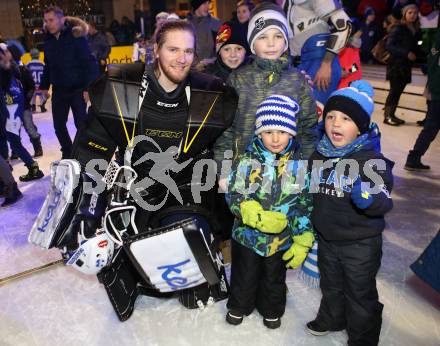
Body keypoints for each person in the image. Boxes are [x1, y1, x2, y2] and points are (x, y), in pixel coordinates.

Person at [31, 20, 238, 319]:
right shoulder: (122, 87)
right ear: (156, 49)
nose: (181, 58)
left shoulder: (210, 94)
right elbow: (91, 152)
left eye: (188, 51)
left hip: (188, 191)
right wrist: (85, 215)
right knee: (129, 265)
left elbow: (228, 147)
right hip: (136, 189)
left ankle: (202, 253)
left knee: (192, 282)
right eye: (173, 49)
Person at [306, 80, 394, 346]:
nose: (335, 123)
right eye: (331, 116)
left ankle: (363, 338)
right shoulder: (319, 154)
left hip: (360, 244)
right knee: (330, 286)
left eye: (345, 118)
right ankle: (333, 318)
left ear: (360, 127)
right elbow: (309, 188)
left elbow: (384, 200)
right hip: (328, 240)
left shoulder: (370, 161)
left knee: (359, 293)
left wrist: (370, 198)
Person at [225, 95, 314, 329]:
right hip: (247, 237)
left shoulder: (299, 166)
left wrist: (302, 238)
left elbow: (303, 204)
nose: (275, 139)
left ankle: (271, 309)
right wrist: (251, 212)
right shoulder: (247, 160)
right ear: (259, 133)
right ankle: (239, 305)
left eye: (282, 132)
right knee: (244, 274)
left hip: (280, 239)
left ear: (292, 133)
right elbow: (234, 194)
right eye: (268, 132)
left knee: (274, 278)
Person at [214, 2, 317, 170]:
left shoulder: (298, 81)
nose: (271, 43)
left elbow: (308, 131)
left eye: (277, 36)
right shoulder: (238, 80)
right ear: (252, 43)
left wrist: (307, 169)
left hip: (287, 176)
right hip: (244, 174)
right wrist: (224, 169)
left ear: (285, 41)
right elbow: (225, 131)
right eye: (262, 37)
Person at [40, 6, 98, 159]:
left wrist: (88, 88)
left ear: (61, 19)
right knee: (58, 125)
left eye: (51, 20)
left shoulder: (76, 36)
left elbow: (90, 64)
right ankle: (68, 151)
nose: (48, 24)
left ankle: (84, 152)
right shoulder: (48, 40)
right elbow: (47, 66)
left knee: (81, 124)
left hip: (78, 89)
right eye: (46, 21)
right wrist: (44, 86)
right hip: (59, 90)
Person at [282, 0, 351, 104]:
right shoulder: (287, 3)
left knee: (316, 113)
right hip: (297, 64)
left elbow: (344, 27)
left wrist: (326, 64)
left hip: (318, 65)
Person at [0, 45, 44, 181]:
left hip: (11, 111)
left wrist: (22, 106)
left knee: (13, 143)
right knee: (11, 142)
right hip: (12, 111)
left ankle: (31, 167)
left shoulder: (11, 71)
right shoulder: (13, 70)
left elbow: (18, 92)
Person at [404, 29, 440, 171]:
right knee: (431, 127)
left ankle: (413, 158)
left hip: (435, 90)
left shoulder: (436, 40)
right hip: (438, 92)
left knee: (431, 127)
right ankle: (413, 158)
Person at [384, 3, 421, 126]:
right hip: (396, 65)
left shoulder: (414, 29)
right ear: (404, 14)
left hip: (405, 65)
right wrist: (406, 53)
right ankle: (387, 116)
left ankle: (392, 114)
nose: (413, 15)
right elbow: (389, 46)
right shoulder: (399, 27)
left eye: (415, 13)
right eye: (410, 12)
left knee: (398, 91)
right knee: (394, 91)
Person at [187, 0, 221, 70]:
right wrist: (195, 64)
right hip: (190, 71)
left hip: (211, 70)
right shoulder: (185, 24)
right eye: (204, 3)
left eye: (209, 3)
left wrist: (211, 61)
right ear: (197, 5)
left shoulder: (216, 23)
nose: (208, 7)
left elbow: (222, 48)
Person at [26, 48, 48, 113]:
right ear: (38, 55)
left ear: (30, 55)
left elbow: (26, 75)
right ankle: (42, 106)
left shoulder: (28, 64)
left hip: (32, 85)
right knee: (43, 96)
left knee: (32, 96)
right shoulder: (42, 63)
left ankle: (33, 106)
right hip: (41, 85)